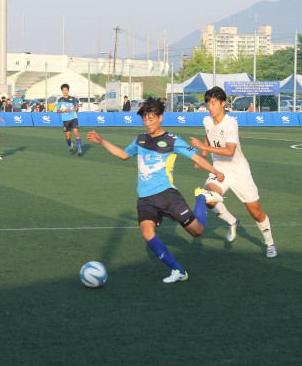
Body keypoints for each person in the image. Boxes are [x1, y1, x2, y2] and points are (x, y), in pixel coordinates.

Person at [87, 97, 224, 283]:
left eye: (151, 118)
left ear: (160, 117)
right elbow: (123, 155)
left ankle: (201, 197)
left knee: (197, 231)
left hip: (167, 195)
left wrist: (215, 171)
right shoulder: (140, 139)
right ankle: (178, 271)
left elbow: (197, 158)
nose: (147, 122)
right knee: (147, 231)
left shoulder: (172, 140)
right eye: (144, 119)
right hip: (145, 198)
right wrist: (101, 140)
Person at [189, 86, 277, 258]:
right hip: (220, 168)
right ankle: (232, 221)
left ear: (223, 104)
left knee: (255, 212)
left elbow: (230, 151)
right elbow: (209, 135)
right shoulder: (207, 120)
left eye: (213, 103)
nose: (210, 106)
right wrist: (204, 155)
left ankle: (270, 243)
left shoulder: (230, 123)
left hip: (239, 171)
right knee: (208, 198)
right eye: (208, 103)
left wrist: (202, 147)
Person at [56, 83, 82, 156]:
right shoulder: (60, 100)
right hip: (65, 120)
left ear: (68, 90)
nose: (65, 91)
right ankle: (70, 145)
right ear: (62, 91)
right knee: (68, 138)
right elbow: (57, 111)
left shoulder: (73, 99)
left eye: (66, 90)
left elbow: (76, 109)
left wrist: (73, 109)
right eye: (63, 90)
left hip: (73, 118)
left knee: (76, 133)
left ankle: (79, 148)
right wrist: (64, 110)